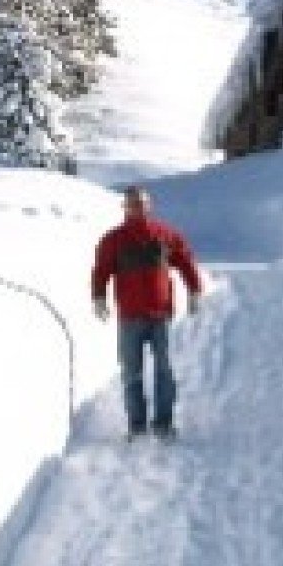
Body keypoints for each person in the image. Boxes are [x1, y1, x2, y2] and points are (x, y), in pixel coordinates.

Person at [91, 185, 204, 440]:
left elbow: (185, 261)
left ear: (149, 206)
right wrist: (98, 297)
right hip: (129, 318)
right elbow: (101, 270)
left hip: (160, 316)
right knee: (132, 372)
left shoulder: (165, 234)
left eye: (141, 203)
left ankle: (164, 424)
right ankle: (137, 426)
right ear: (125, 208)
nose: (137, 208)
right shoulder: (112, 240)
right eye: (132, 204)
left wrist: (194, 291)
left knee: (163, 369)